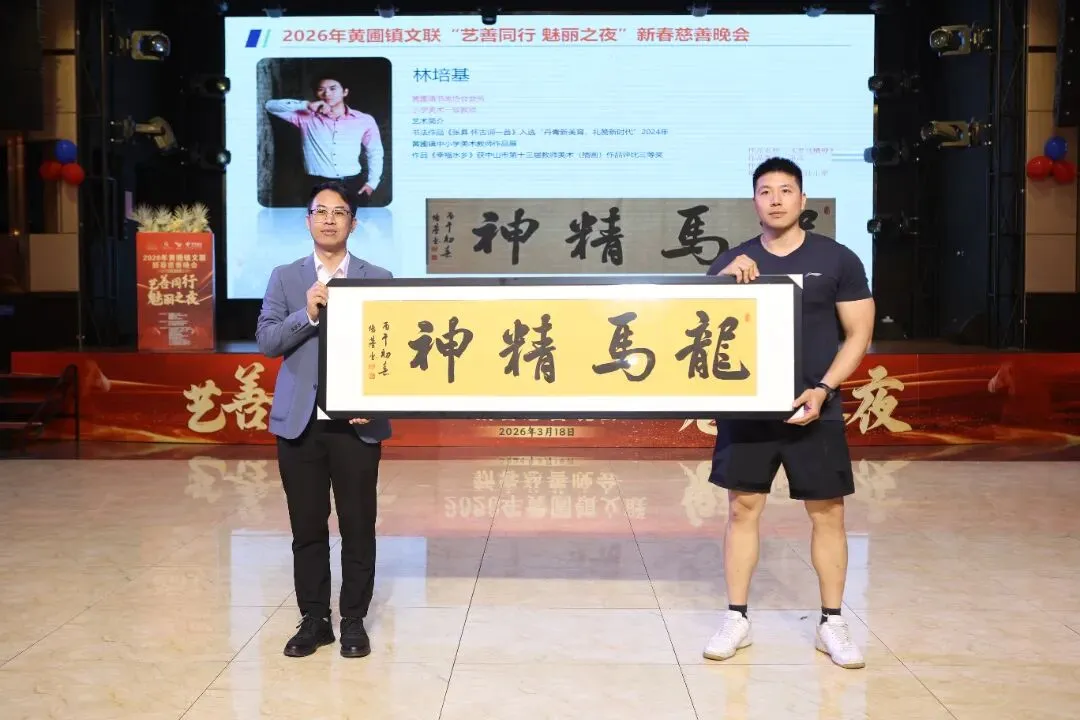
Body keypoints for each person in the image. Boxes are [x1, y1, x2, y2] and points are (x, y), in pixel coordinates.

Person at [701, 157, 875, 669]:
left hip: (815, 406)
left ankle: (832, 622)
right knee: (742, 509)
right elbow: (700, 326)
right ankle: (736, 617)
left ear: (803, 199)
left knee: (828, 513)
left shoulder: (837, 259)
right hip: (749, 411)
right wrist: (720, 283)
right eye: (765, 191)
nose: (775, 199)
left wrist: (823, 389)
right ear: (754, 201)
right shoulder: (733, 261)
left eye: (785, 190)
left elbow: (859, 333)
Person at [256, 180, 393, 658]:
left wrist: (373, 401)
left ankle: (353, 619)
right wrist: (307, 313)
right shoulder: (285, 277)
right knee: (307, 527)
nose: (329, 219)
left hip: (356, 425)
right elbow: (267, 341)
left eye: (339, 212)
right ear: (308, 220)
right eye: (321, 211)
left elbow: (391, 351)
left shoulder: (379, 277)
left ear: (353, 222)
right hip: (301, 425)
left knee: (358, 525)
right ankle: (314, 619)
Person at [265, 76, 384, 203]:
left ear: (345, 92)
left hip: (353, 184)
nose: (327, 94)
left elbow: (375, 151)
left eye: (333, 88)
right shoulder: (306, 116)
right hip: (316, 184)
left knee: (355, 216)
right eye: (321, 89)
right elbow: (270, 106)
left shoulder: (364, 120)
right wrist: (306, 105)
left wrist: (372, 183)